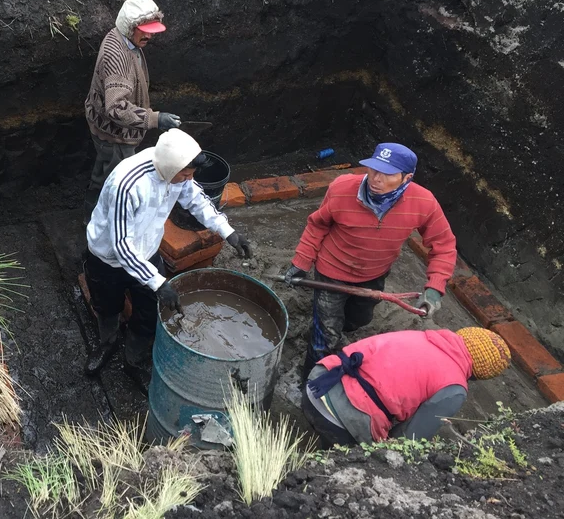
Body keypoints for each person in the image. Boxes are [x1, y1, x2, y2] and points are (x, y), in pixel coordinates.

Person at [83, 129, 251, 390]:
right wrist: (159, 283)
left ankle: (133, 360)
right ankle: (108, 343)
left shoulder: (177, 169)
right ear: (171, 168)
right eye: (185, 175)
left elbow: (197, 200)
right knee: (107, 306)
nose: (188, 179)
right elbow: (121, 245)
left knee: (150, 312)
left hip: (147, 251)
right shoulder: (126, 185)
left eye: (190, 174)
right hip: (108, 259)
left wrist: (228, 232)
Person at [283, 143, 457, 378]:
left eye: (387, 174)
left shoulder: (423, 203)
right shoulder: (342, 189)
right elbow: (317, 225)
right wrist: (301, 262)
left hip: (374, 273)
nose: (376, 179)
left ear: (407, 178)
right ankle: (310, 381)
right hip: (331, 271)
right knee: (325, 337)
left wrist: (434, 289)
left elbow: (444, 246)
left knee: (359, 319)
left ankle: (335, 326)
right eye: (374, 169)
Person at [301, 327, 511, 446]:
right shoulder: (454, 387)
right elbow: (409, 440)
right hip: (343, 419)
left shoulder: (421, 336)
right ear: (478, 375)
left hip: (318, 384)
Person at [83, 0, 182, 217]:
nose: (149, 35)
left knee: (104, 168)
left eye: (152, 30)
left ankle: (93, 210)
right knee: (115, 180)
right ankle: (101, 218)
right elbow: (116, 108)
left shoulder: (121, 38)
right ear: (129, 27)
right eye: (144, 30)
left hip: (104, 126)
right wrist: (155, 119)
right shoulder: (118, 58)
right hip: (115, 134)